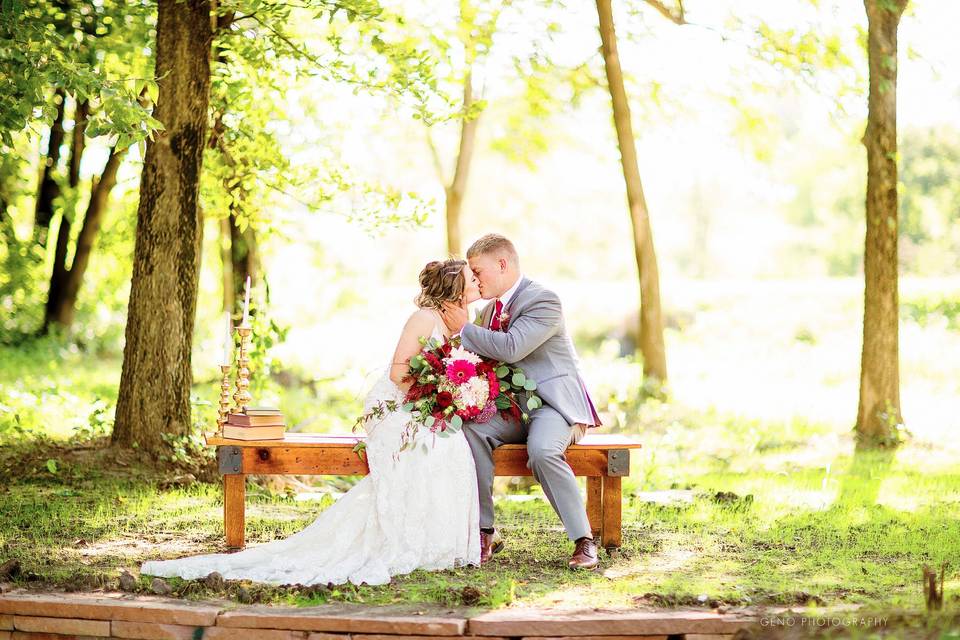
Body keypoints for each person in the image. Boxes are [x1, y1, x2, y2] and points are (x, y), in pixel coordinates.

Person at [140, 259, 482, 586]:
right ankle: (407, 536)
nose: (478, 284)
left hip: (420, 405)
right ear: (454, 290)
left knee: (451, 445)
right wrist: (433, 398)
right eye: (472, 280)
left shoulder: (462, 318)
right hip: (395, 406)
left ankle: (434, 538)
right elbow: (398, 373)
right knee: (436, 444)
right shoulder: (424, 318)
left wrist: (446, 396)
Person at [440, 233, 602, 570]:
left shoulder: (544, 300)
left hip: (553, 405)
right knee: (470, 430)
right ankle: (484, 530)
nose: (474, 279)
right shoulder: (486, 312)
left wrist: (463, 328)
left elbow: (513, 347)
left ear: (502, 264)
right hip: (511, 407)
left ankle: (583, 540)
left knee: (542, 452)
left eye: (477, 271)